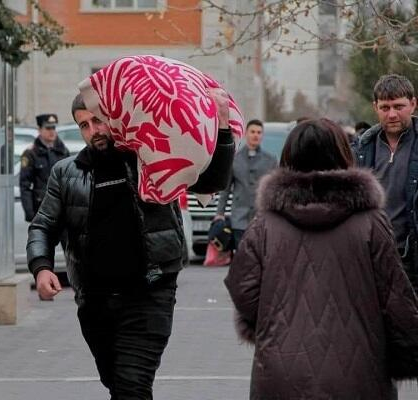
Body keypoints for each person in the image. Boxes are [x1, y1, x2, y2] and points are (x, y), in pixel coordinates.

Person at [26, 90, 235, 399]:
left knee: (131, 386)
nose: (93, 131)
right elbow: (43, 225)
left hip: (149, 293)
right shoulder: (66, 173)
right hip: (95, 302)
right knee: (119, 385)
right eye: (84, 125)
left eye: (98, 121)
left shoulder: (151, 158)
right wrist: (41, 267)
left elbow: (210, 181)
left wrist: (222, 127)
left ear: (114, 118)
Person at [225, 119, 418, 399]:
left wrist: (274, 324)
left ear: (288, 157)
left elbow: (242, 286)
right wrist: (405, 354)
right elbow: (395, 298)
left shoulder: (265, 223)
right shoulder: (371, 221)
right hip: (360, 373)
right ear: (343, 154)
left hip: (281, 372)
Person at [354, 74, 418, 292]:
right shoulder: (363, 148)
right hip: (372, 258)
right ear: (375, 107)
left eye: (399, 106)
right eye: (385, 107)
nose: (392, 114)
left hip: (411, 259)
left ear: (413, 104)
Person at [214, 119, 278, 249]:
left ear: (262, 136)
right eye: (253, 131)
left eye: (259, 132)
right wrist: (220, 212)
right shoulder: (234, 159)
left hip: (261, 216)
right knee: (241, 253)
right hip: (239, 217)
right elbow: (226, 189)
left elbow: (275, 190)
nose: (256, 135)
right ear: (246, 134)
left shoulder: (270, 160)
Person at [19, 113, 69, 222]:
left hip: (63, 210)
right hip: (41, 210)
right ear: (40, 130)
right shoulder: (31, 154)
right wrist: (30, 214)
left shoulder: (63, 151)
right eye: (48, 128)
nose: (52, 131)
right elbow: (25, 186)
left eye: (54, 128)